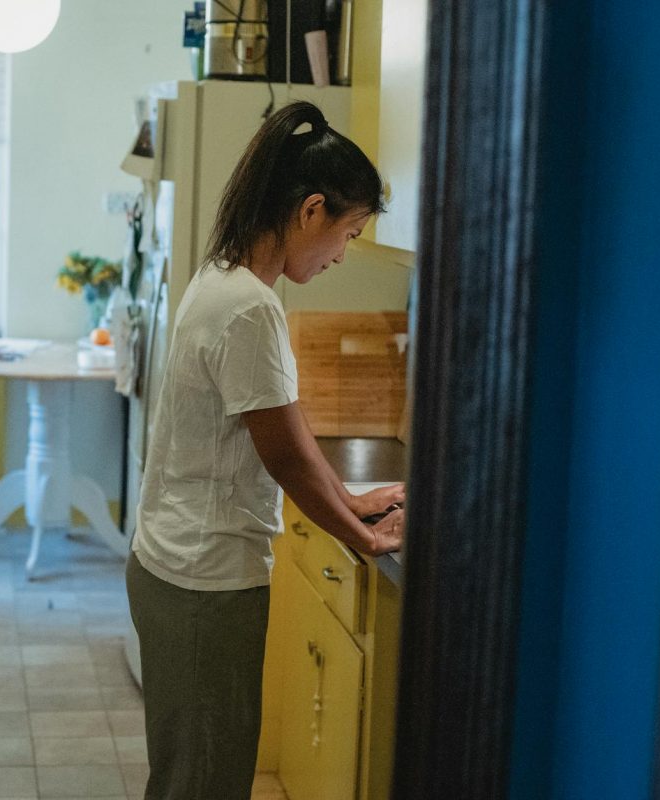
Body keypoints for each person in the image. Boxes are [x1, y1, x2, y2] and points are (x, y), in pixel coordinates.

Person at [126, 101, 406, 800]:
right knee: (202, 781)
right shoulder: (250, 307)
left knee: (192, 773)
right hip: (203, 584)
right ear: (311, 211)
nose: (343, 254)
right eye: (348, 232)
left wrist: (349, 498)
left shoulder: (223, 279)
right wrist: (363, 538)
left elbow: (280, 427)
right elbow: (283, 457)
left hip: (179, 568)